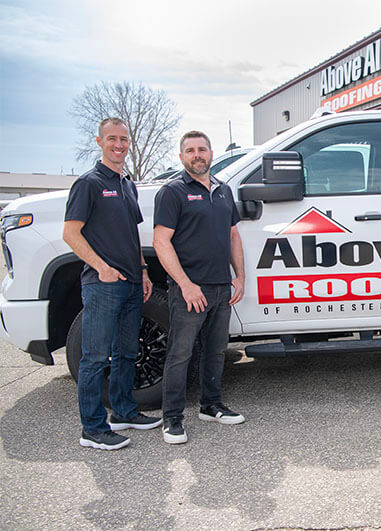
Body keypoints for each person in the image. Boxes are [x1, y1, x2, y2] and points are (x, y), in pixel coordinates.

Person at [63, 117, 159, 450]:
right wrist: (102, 268)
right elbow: (70, 233)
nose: (119, 145)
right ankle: (92, 429)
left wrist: (143, 270)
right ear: (100, 142)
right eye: (112, 139)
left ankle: (124, 412)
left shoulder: (127, 184)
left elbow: (131, 234)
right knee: (94, 358)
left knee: (126, 353)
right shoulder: (88, 184)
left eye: (124, 139)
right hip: (103, 284)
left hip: (132, 282)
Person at [153, 130, 246, 444]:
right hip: (189, 290)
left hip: (221, 287)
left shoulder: (223, 190)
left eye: (202, 149)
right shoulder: (172, 192)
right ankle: (172, 418)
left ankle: (211, 405)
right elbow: (161, 241)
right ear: (182, 157)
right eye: (190, 150)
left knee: (216, 350)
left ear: (211, 153)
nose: (197, 155)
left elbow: (233, 235)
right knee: (180, 354)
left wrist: (240, 276)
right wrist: (185, 284)